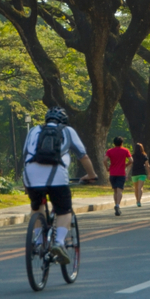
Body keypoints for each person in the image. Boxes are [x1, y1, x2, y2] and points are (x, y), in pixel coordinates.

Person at [23, 105, 98, 262]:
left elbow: (25, 155)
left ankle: (38, 242)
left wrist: (27, 184)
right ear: (64, 120)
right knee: (64, 210)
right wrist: (91, 175)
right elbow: (83, 156)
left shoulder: (34, 130)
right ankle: (58, 242)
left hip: (31, 175)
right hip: (57, 176)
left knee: (37, 207)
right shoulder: (67, 131)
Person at [105, 136, 132, 216]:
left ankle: (116, 203)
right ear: (122, 143)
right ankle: (117, 205)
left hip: (112, 173)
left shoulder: (110, 151)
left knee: (115, 190)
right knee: (120, 190)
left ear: (114, 143)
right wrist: (126, 165)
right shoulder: (125, 150)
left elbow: (104, 159)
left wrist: (107, 167)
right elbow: (131, 160)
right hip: (121, 173)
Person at [131, 143, 149, 207]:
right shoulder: (144, 156)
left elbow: (130, 165)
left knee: (136, 188)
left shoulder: (132, 156)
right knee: (140, 188)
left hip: (134, 173)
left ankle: (137, 200)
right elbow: (147, 165)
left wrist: (127, 173)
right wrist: (149, 173)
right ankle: (139, 200)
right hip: (142, 173)